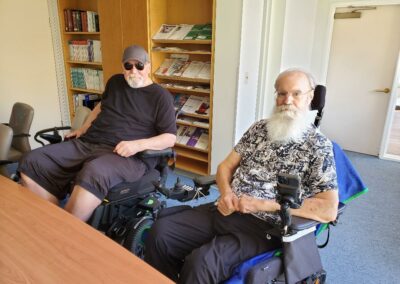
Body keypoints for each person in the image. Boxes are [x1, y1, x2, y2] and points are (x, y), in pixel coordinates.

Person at [144, 68, 339, 283]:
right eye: (281, 93)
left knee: (201, 263)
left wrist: (263, 204)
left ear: (310, 97)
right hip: (226, 209)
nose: (287, 100)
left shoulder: (319, 146)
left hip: (264, 227)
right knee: (160, 233)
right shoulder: (259, 129)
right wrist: (226, 193)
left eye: (296, 94)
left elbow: (328, 210)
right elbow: (225, 167)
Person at [18, 45, 177, 221]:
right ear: (122, 66)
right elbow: (101, 106)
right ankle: (56, 217)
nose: (134, 71)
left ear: (148, 66)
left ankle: (65, 228)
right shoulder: (115, 82)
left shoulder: (160, 96)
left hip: (127, 155)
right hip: (90, 142)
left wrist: (137, 145)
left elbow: (170, 138)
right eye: (128, 66)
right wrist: (82, 129)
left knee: (94, 172)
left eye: (139, 66)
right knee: (32, 160)